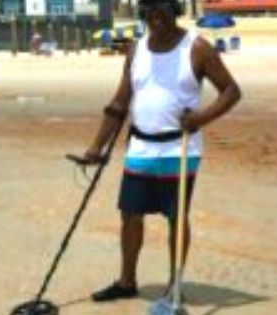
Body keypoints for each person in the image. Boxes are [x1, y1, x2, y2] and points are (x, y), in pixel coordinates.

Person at [78, 0, 241, 303]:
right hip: (140, 146)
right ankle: (127, 282)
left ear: (175, 11)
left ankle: (173, 287)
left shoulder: (197, 48)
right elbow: (119, 102)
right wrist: (96, 147)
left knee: (176, 217)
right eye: (148, 14)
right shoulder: (135, 50)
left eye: (161, 12)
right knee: (130, 214)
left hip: (179, 148)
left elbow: (232, 91)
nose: (155, 19)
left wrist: (200, 119)